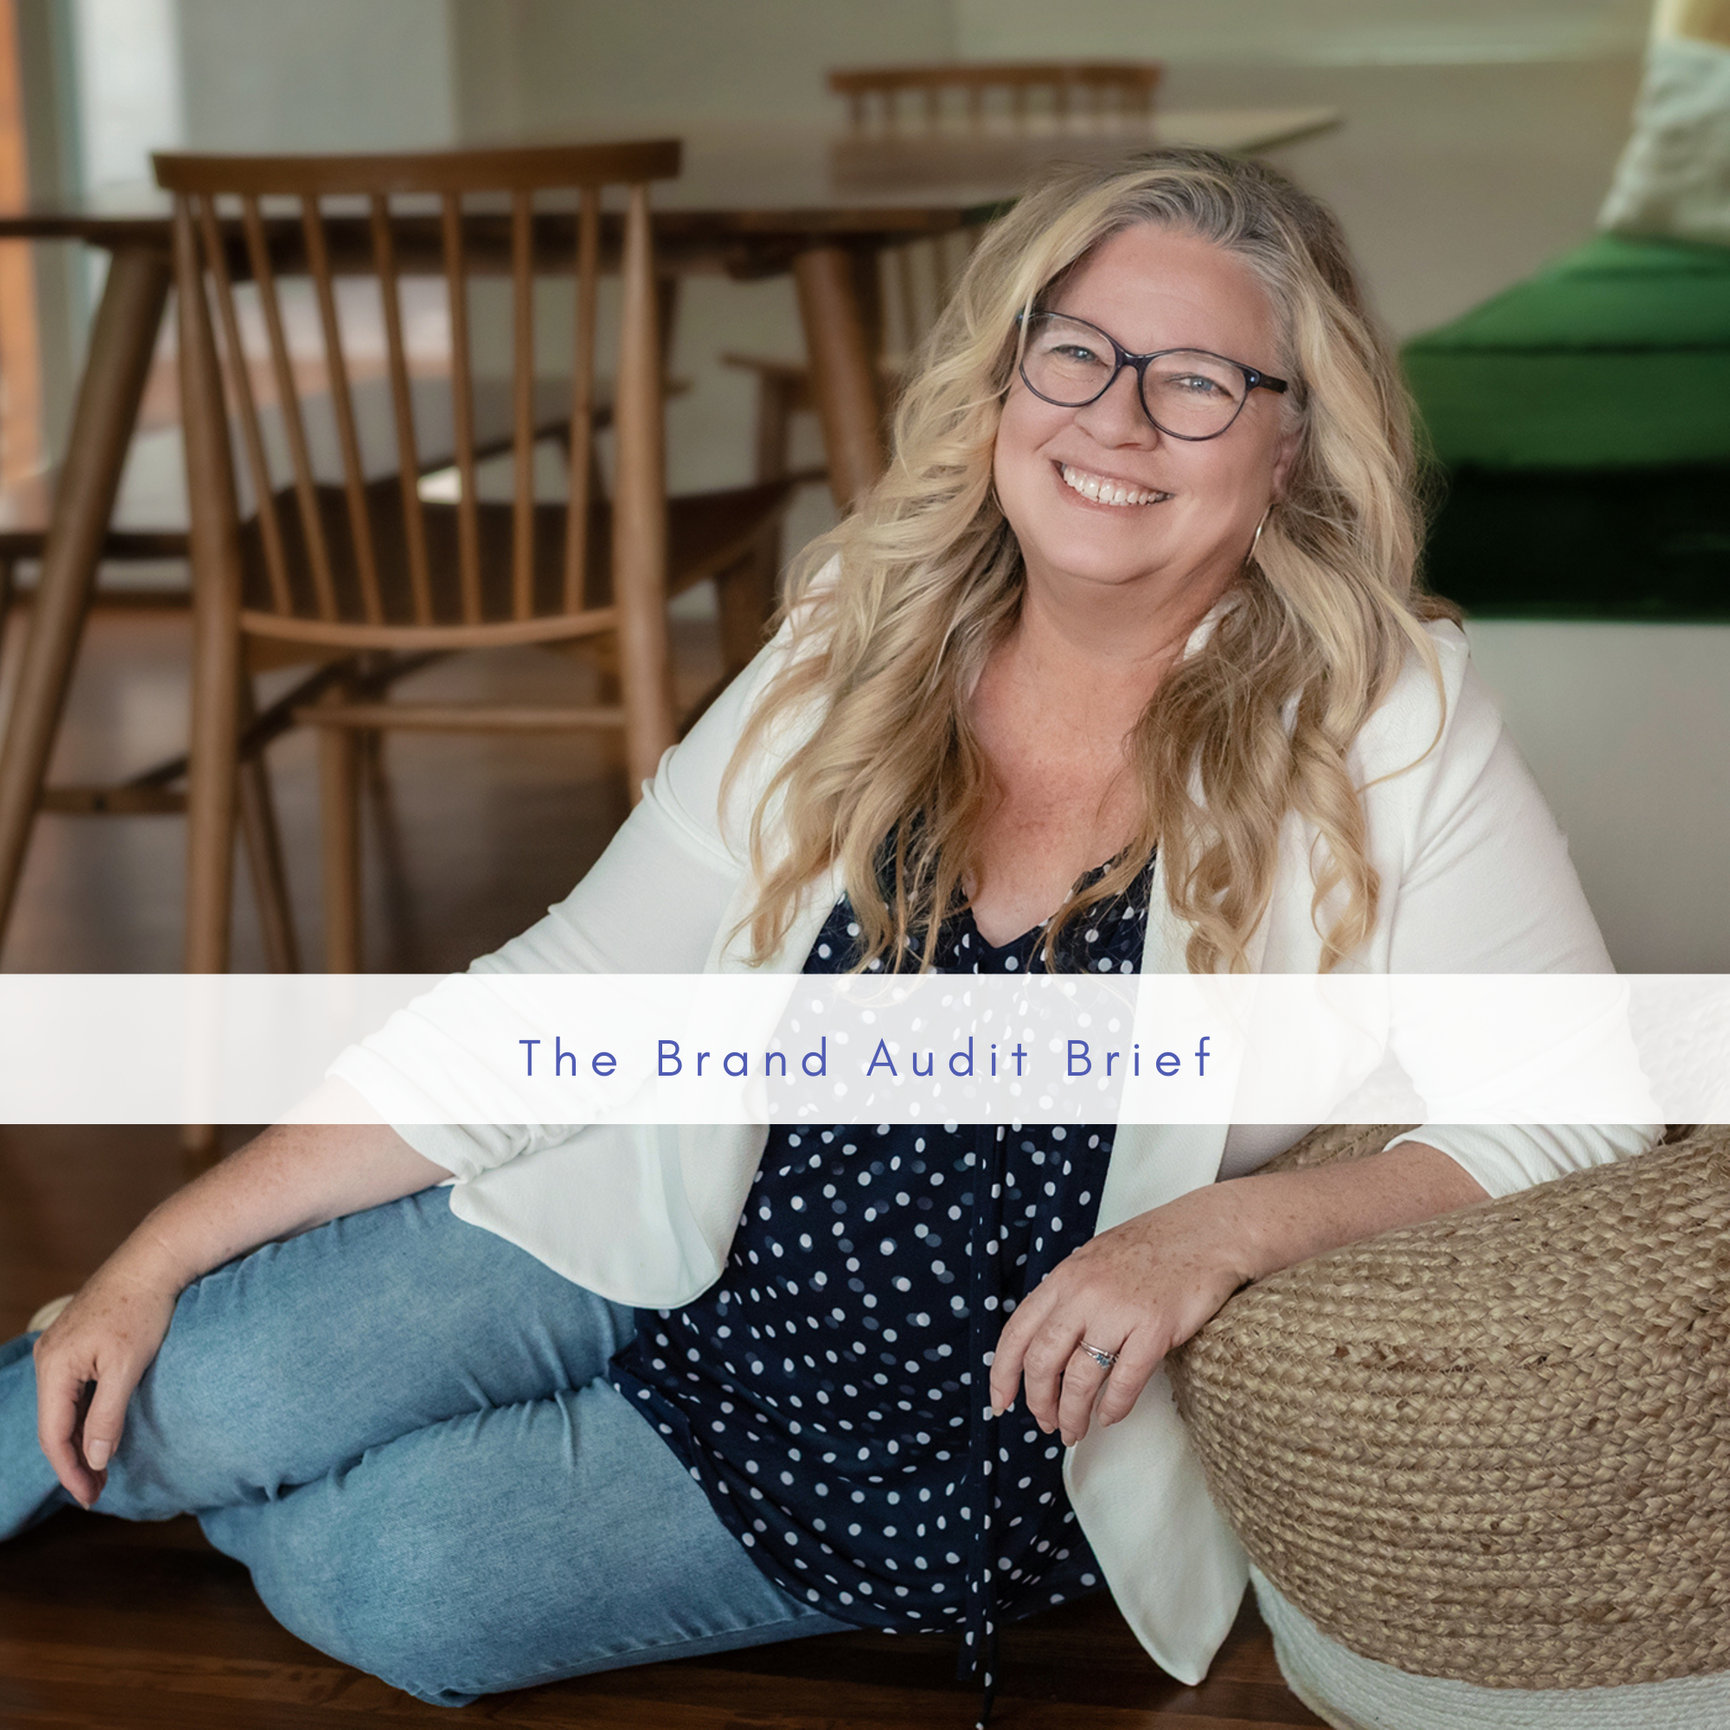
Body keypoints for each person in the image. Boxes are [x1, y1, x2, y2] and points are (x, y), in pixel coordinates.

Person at [0, 147, 1656, 1720]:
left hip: (918, 1455)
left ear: (1286, 443)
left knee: (394, 1580)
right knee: (186, 1379)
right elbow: (563, 996)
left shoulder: (1386, 716)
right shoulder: (862, 634)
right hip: (663, 1232)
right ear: (1005, 385)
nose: (1119, 418)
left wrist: (1207, 1234)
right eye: (1072, 355)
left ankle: (274, 1481)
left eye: (1197, 380)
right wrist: (153, 1248)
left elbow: (1578, 1107)